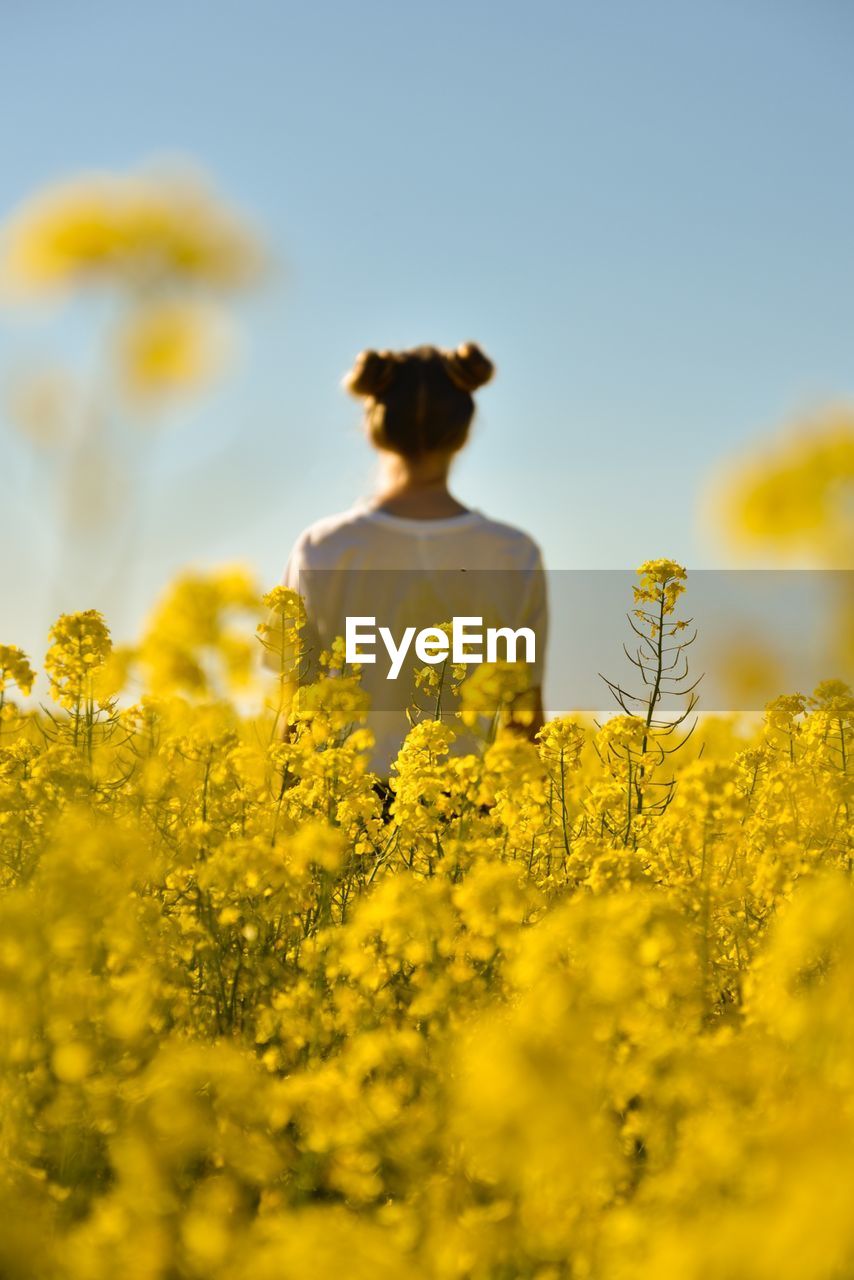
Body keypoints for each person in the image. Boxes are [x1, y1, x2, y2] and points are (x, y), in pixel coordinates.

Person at [272, 341, 548, 776]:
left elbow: (296, 707)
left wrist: (288, 827)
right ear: (464, 430)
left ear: (372, 426)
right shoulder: (513, 552)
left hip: (342, 804)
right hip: (471, 810)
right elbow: (524, 714)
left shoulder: (323, 547)